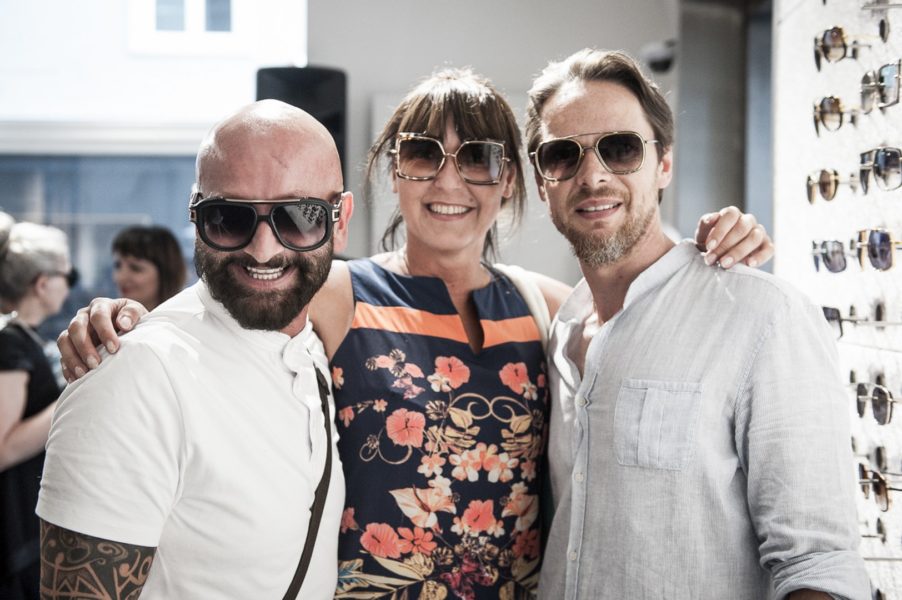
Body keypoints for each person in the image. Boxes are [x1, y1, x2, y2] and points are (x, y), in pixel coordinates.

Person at [56, 69, 772, 598]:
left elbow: (657, 323)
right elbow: (228, 301)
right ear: (392, 173)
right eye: (425, 154)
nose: (449, 181)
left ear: (511, 183)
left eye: (479, 159)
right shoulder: (339, 290)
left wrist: (717, 247)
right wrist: (121, 322)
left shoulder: (548, 305)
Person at [524, 49, 868, 599]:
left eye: (620, 149)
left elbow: (817, 564)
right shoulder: (560, 331)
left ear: (663, 164)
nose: (593, 175)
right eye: (564, 155)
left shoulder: (764, 316)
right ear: (543, 183)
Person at [36, 100, 352, 599]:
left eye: (299, 216)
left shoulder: (316, 341)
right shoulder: (136, 373)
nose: (264, 250)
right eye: (228, 217)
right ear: (195, 214)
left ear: (341, 218)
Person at [0, 212, 74, 600]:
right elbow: (3, 447)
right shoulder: (10, 343)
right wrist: (73, 396)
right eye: (67, 276)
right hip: (11, 529)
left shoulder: (24, 338)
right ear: (43, 284)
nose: (69, 286)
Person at [112, 225, 187, 311]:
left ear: (165, 273)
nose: (120, 277)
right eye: (118, 266)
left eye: (135, 268)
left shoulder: (184, 321)